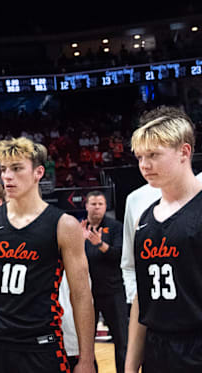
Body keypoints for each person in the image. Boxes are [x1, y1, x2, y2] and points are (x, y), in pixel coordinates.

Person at [0, 137, 94, 373]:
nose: (7, 176)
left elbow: (81, 295)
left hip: (41, 347)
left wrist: (86, 358)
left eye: (16, 168)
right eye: (3, 169)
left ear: (38, 172)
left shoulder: (63, 225)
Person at [125, 107, 202, 372]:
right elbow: (141, 299)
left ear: (184, 152)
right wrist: (130, 366)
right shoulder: (143, 218)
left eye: (154, 155)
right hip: (157, 348)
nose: (144, 165)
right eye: (140, 157)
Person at [81, 191, 127, 373]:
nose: (97, 207)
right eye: (93, 204)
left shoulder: (115, 227)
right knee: (85, 342)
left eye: (100, 204)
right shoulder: (79, 228)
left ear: (106, 206)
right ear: (86, 206)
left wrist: (100, 244)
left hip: (112, 291)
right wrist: (77, 240)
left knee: (121, 340)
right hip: (87, 294)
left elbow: (120, 255)